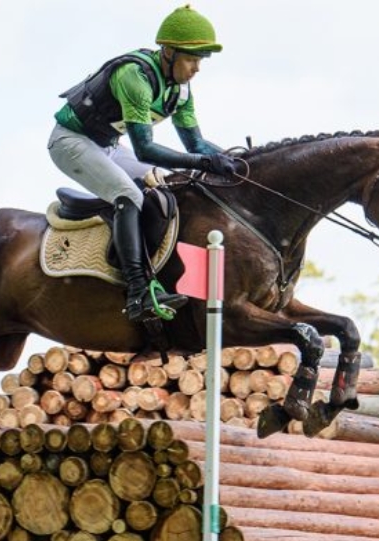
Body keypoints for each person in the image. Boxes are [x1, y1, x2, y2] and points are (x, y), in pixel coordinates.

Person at [48, 5, 240, 323]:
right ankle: (138, 291)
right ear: (168, 52)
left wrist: (236, 162)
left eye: (201, 60)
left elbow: (195, 145)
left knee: (172, 185)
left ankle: (160, 273)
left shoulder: (180, 91)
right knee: (130, 194)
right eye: (192, 59)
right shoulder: (134, 77)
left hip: (107, 145)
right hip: (70, 142)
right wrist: (207, 161)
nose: (197, 69)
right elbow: (145, 150)